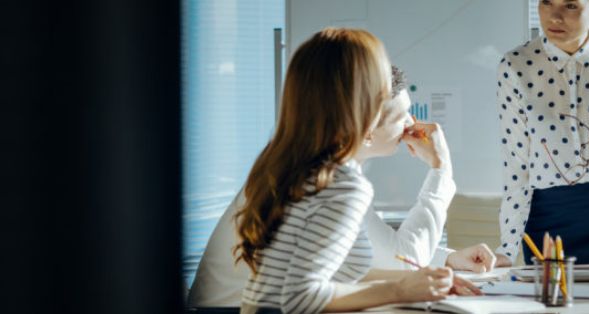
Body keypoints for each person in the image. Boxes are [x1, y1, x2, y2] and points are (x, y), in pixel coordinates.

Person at [191, 28, 484, 313]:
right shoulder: (338, 184)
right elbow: (300, 297)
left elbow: (339, 269)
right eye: (399, 114)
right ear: (366, 119)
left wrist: (427, 273)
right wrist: (441, 169)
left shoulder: (300, 165)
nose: (411, 124)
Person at [494, 0, 589, 267]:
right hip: (548, 218)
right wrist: (507, 249)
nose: (554, 16)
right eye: (546, 2)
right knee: (554, 306)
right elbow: (516, 165)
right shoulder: (515, 65)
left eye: (570, 6)